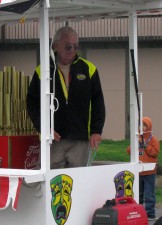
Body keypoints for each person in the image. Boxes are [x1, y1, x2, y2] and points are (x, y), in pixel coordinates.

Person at [27, 26, 106, 169]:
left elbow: (98, 101)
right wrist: (44, 128)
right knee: (52, 183)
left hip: (80, 140)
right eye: (68, 46)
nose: (73, 50)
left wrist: (96, 130)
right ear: (56, 45)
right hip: (53, 140)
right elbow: (32, 103)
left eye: (76, 46)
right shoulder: (43, 70)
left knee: (77, 182)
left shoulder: (89, 69)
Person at [126, 117, 160, 221]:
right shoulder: (137, 138)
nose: (142, 127)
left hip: (149, 172)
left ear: (149, 126)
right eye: (141, 125)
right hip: (139, 172)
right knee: (138, 193)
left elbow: (155, 153)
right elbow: (128, 151)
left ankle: (150, 214)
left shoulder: (153, 140)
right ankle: (139, 212)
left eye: (145, 125)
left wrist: (146, 146)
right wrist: (134, 144)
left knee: (149, 194)